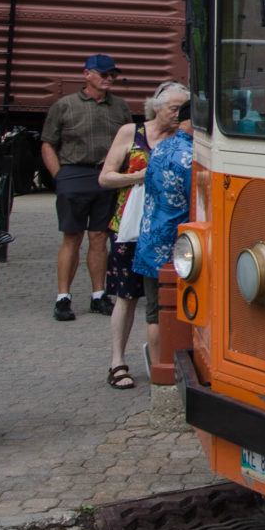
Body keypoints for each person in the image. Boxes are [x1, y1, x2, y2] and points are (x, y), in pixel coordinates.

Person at [96, 82, 188, 389]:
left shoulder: (183, 139)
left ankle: (164, 360)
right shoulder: (130, 133)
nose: (178, 115)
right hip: (129, 225)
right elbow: (105, 176)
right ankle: (117, 361)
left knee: (159, 299)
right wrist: (140, 176)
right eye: (174, 108)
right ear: (157, 108)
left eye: (183, 110)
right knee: (126, 295)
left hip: (162, 231)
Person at [39, 54, 134, 321]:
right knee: (72, 236)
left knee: (99, 237)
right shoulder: (65, 105)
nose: (108, 79)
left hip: (107, 176)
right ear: (87, 74)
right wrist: (60, 177)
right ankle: (63, 297)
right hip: (74, 174)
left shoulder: (120, 107)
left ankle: (98, 294)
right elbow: (48, 143)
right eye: (103, 74)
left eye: (112, 74)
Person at [129, 83, 195, 376]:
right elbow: (196, 204)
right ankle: (169, 373)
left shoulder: (160, 149)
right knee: (173, 313)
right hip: (176, 247)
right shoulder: (190, 156)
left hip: (149, 238)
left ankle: (158, 371)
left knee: (154, 314)